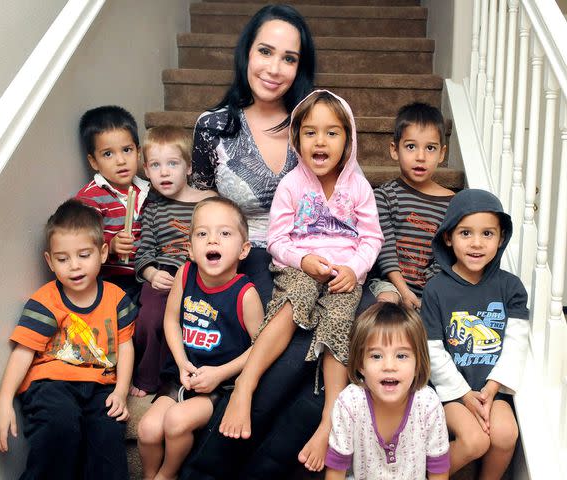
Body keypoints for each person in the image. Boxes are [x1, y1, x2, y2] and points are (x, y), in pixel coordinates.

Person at [220, 90, 384, 472]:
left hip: (344, 273)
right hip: (299, 265)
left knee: (342, 317)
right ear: (296, 141)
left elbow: (372, 237)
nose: (320, 141)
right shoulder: (293, 184)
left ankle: (329, 419)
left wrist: (355, 270)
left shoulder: (358, 186)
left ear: (348, 140)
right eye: (310, 133)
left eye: (331, 133)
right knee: (296, 296)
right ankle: (246, 383)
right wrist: (303, 260)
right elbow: (275, 240)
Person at [0, 199, 137, 479]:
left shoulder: (117, 299)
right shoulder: (46, 300)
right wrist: (3, 402)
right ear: (50, 261)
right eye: (63, 259)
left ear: (103, 253)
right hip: (51, 384)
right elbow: (23, 352)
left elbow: (126, 347)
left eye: (83, 255)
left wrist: (121, 392)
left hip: (101, 388)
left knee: (107, 446)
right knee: (60, 426)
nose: (74, 266)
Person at [191, 3, 315, 308]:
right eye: (265, 51)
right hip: (239, 257)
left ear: (300, 68)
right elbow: (203, 202)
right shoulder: (213, 127)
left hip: (311, 253)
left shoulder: (314, 127)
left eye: (289, 58)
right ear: (246, 52)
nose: (274, 68)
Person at [136, 196, 264, 480]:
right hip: (181, 374)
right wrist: (181, 363)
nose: (212, 241)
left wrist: (220, 373)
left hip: (219, 385)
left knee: (176, 422)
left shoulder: (246, 295)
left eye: (225, 233)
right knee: (146, 429)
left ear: (244, 250)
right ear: (191, 249)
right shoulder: (185, 274)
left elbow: (260, 347)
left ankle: (167, 475)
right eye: (202, 234)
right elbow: (171, 319)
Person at [421, 189, 529, 478]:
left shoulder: (511, 288)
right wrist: (466, 395)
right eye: (466, 233)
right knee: (476, 440)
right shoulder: (435, 290)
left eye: (487, 234)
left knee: (505, 434)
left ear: (501, 238)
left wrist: (492, 388)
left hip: (492, 390)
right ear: (448, 237)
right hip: (451, 394)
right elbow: (432, 350)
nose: (477, 243)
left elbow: (516, 343)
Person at [131, 126, 216, 397]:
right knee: (149, 319)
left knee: (192, 320)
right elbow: (143, 249)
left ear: (189, 167)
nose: (164, 172)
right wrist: (152, 273)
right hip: (164, 273)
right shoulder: (154, 209)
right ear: (146, 169)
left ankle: (182, 374)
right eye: (155, 165)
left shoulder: (208, 201)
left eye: (172, 163)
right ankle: (147, 377)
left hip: (199, 272)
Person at [325, 302, 450, 479]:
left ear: (417, 364)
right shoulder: (350, 402)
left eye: (401, 356)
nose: (389, 366)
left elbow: (439, 470)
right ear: (361, 364)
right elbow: (336, 470)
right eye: (376, 356)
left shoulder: (428, 402)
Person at [369, 102, 454, 308]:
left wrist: (428, 290)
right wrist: (404, 291)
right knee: (386, 303)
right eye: (411, 146)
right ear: (394, 150)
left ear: (442, 154)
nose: (421, 157)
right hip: (390, 283)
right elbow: (385, 250)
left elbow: (446, 255)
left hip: (432, 286)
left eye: (430, 148)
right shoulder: (385, 196)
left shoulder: (452, 203)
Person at [76, 105, 150, 302]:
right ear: (93, 161)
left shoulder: (150, 191)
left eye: (127, 150)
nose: (121, 160)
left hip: (148, 274)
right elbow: (82, 246)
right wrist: (111, 245)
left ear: (138, 152)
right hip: (112, 279)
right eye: (108, 154)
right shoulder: (90, 199)